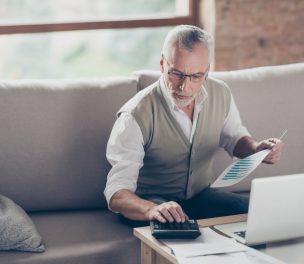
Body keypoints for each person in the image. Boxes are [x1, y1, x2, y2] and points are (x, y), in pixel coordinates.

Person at [104, 25, 283, 227]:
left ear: (206, 71)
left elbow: (234, 139)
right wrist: (151, 209)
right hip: (151, 201)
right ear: (162, 64)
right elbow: (117, 193)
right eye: (176, 73)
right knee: (175, 227)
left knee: (259, 213)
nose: (184, 87)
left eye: (196, 76)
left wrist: (256, 149)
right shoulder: (135, 115)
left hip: (201, 195)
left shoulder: (221, 93)